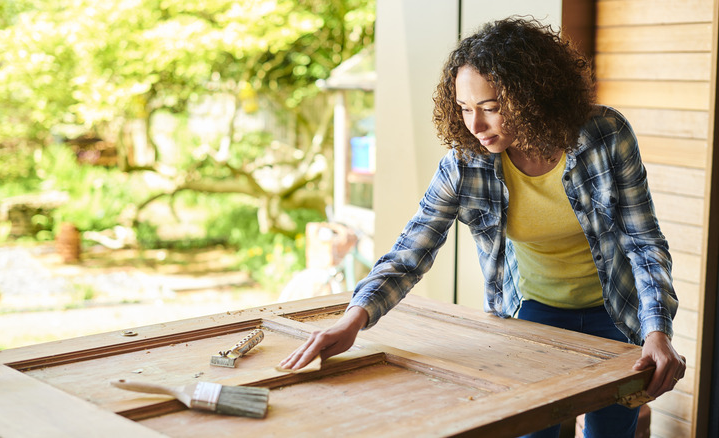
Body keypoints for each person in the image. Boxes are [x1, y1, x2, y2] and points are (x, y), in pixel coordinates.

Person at [279, 16, 686, 438]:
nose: (475, 125)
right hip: (532, 314)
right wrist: (353, 319)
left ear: (534, 95)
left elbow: (643, 242)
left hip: (617, 312)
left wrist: (657, 331)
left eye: (491, 108)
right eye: (464, 108)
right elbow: (409, 253)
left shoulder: (605, 135)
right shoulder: (464, 164)